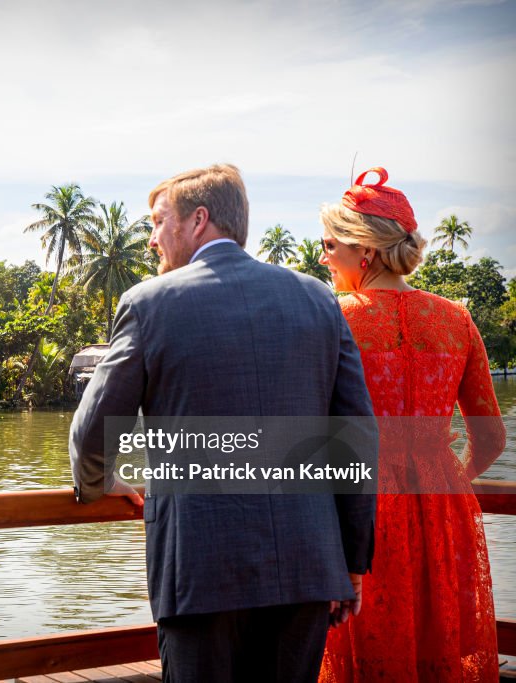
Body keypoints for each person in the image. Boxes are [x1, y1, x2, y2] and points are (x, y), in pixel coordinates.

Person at [69, 164, 377, 682]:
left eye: (158, 222)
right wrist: (350, 559)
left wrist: (98, 481)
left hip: (200, 570)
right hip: (306, 567)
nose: (151, 239)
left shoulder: (148, 304)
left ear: (198, 222)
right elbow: (356, 438)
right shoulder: (318, 299)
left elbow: (94, 427)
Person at [317, 168, 506, 681]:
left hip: (358, 509)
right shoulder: (455, 318)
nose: (323, 256)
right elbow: (490, 439)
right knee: (438, 647)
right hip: (443, 503)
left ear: (367, 252)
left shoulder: (334, 318)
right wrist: (448, 479)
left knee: (360, 650)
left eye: (330, 244)